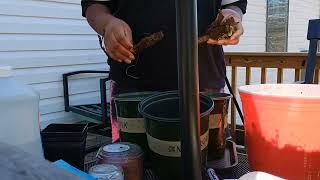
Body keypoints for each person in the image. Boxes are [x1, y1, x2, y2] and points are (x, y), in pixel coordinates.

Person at [81, 0, 247, 141]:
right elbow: (95, 5)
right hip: (133, 87)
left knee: (207, 161)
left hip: (204, 84)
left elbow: (233, 5)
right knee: (134, 161)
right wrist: (107, 23)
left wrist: (232, 15)